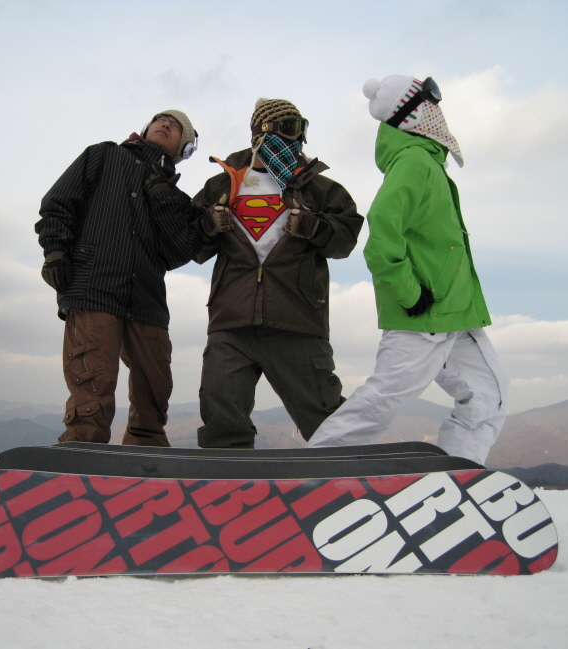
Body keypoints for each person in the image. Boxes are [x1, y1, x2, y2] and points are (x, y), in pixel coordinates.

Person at [307, 76, 509, 465]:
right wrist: (411, 295)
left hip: (456, 313)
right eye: (430, 101)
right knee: (383, 400)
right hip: (425, 312)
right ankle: (314, 472)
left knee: (487, 397)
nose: (438, 109)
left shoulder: (427, 162)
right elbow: (381, 238)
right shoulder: (414, 162)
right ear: (411, 113)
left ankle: (458, 475)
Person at [192, 98, 364, 448]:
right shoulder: (222, 185)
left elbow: (345, 241)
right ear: (261, 132)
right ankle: (227, 477)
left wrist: (314, 227)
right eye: (287, 128)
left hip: (296, 319)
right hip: (232, 321)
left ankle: (350, 474)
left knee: (326, 420)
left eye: (301, 129)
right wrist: (207, 225)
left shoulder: (319, 189)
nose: (295, 139)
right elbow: (191, 246)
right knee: (222, 418)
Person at [35, 110, 202, 447]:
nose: (166, 124)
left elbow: (181, 250)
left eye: (177, 127)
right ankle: (81, 457)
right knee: (92, 387)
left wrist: (161, 194)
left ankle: (147, 461)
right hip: (94, 287)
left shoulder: (175, 198)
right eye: (161, 119)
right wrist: (55, 250)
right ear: (147, 127)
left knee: (154, 391)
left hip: (147, 300)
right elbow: (58, 202)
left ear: (183, 150)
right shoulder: (104, 155)